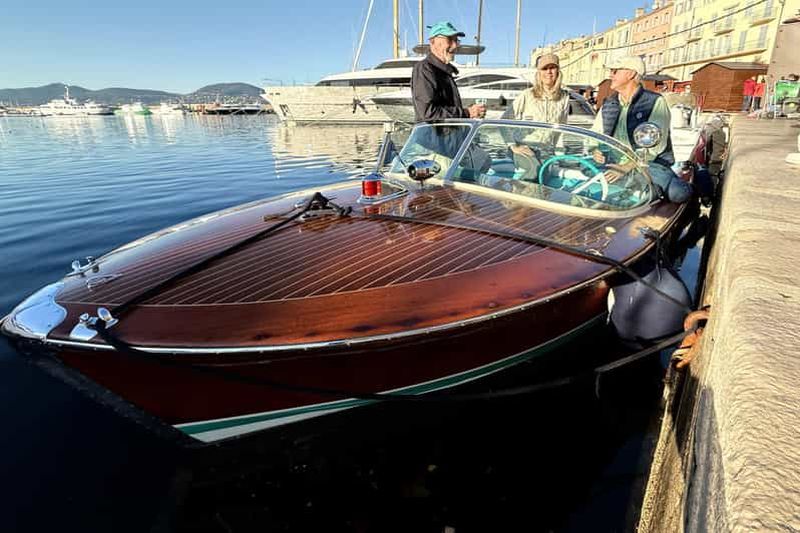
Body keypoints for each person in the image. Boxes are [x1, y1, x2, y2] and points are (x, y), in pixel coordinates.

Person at [591, 55, 692, 203]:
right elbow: (595, 134)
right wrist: (595, 150)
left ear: (631, 74)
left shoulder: (655, 102)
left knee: (678, 193)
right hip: (613, 164)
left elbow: (655, 148)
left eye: (615, 71)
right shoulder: (609, 103)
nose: (611, 75)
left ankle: (696, 185)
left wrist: (626, 167)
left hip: (649, 164)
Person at [411, 21, 486, 123]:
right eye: (450, 40)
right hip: (434, 138)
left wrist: (470, 112)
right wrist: (467, 113)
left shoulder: (446, 72)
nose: (455, 45)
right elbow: (427, 113)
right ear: (433, 42)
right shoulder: (424, 69)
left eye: (456, 40)